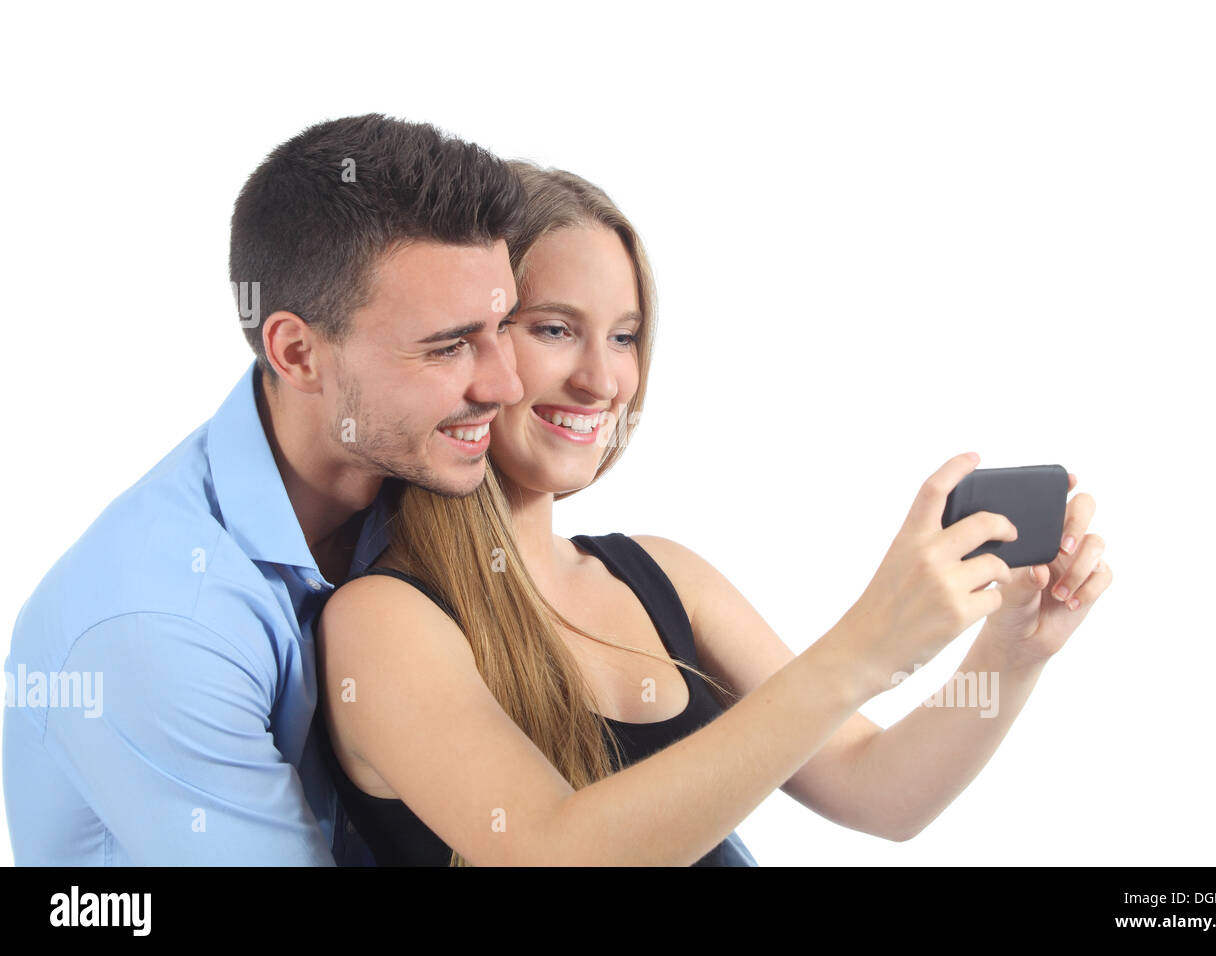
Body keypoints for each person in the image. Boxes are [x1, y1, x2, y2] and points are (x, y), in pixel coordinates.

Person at [314, 163, 1114, 866]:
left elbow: (879, 793)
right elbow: (555, 850)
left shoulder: (663, 575)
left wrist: (1011, 653)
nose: (602, 379)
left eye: (625, 337)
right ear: (470, 344)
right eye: (555, 329)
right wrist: (868, 643)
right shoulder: (382, 621)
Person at [2, 113, 533, 864]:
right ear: (296, 352)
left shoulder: (424, 481)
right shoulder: (153, 622)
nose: (506, 383)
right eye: (449, 346)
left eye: (503, 325)